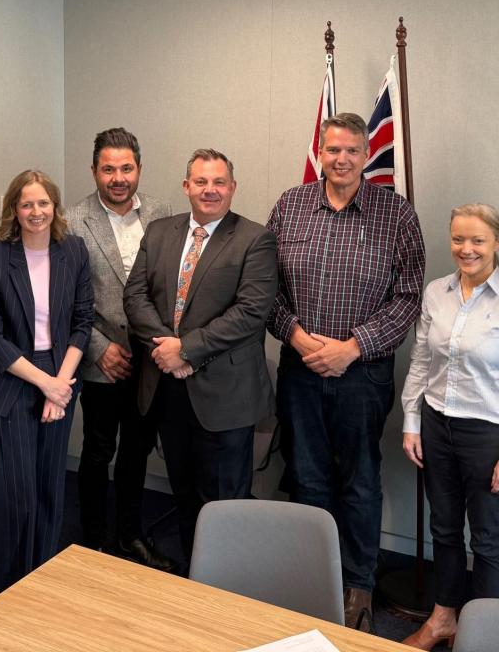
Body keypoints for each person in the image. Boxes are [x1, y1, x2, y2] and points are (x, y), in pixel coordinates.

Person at [266, 113, 425, 631]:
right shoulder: (290, 206)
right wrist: (297, 336)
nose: (341, 159)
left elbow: (407, 298)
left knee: (360, 479)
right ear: (321, 150)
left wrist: (353, 348)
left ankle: (358, 581)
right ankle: (315, 573)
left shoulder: (396, 214)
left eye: (351, 151)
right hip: (300, 367)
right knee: (308, 476)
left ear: (365, 154)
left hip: (363, 373)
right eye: (332, 150)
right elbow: (264, 287)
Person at [123, 148, 277, 560]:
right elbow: (135, 295)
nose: (210, 190)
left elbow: (251, 312)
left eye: (219, 182)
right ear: (186, 186)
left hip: (225, 396)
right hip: (169, 390)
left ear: (233, 188)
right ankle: (196, 579)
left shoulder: (255, 238)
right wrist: (166, 349)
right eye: (201, 182)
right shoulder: (158, 232)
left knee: (224, 503)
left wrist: (186, 349)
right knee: (185, 492)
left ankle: (226, 590)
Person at [400, 204, 499, 649]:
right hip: (437, 424)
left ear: (498, 242)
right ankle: (443, 618)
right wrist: (411, 421)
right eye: (459, 239)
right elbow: (421, 360)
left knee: (486, 538)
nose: (466, 249)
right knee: (443, 527)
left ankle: (484, 635)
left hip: (487, 436)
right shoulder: (435, 293)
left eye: (477, 240)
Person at [0, 169, 93, 598]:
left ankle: (44, 590)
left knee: (49, 492)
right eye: (27, 204)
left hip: (61, 375)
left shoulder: (73, 250)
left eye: (43, 203)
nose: (36, 211)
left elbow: (82, 322)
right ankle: (4, 596)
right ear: (14, 210)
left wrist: (61, 385)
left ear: (55, 207)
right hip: (13, 380)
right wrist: (47, 384)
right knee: (15, 498)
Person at [66, 128, 174, 571]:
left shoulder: (164, 215)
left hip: (151, 359)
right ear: (94, 170)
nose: (117, 178)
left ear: (139, 169)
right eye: (108, 169)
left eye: (126, 168)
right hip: (101, 360)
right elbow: (65, 298)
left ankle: (129, 535)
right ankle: (92, 542)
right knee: (96, 451)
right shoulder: (72, 221)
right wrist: (98, 348)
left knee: (137, 451)